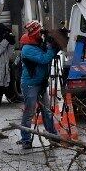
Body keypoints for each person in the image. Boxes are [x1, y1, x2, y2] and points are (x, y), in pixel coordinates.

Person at [17, 20, 59, 148]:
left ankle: (53, 136)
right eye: (39, 33)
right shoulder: (28, 48)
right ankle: (25, 140)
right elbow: (44, 58)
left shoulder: (37, 44)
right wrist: (51, 47)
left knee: (47, 111)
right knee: (29, 112)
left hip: (40, 83)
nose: (41, 35)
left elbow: (46, 53)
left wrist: (52, 43)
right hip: (30, 84)